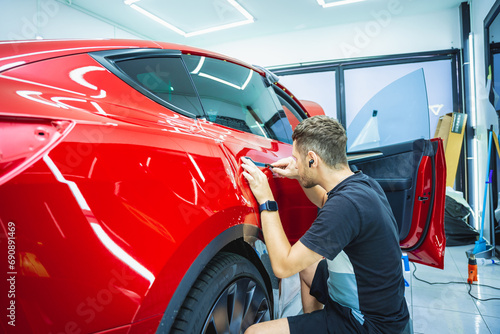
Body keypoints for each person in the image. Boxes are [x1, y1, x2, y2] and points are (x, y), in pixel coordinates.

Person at [241, 115, 409, 334]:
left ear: (313, 159)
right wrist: (299, 175)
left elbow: (283, 266)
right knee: (308, 268)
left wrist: (266, 200)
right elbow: (323, 200)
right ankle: (315, 323)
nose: (295, 163)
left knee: (254, 333)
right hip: (381, 307)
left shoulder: (345, 207)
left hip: (368, 324)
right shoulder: (363, 185)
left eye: (297, 159)